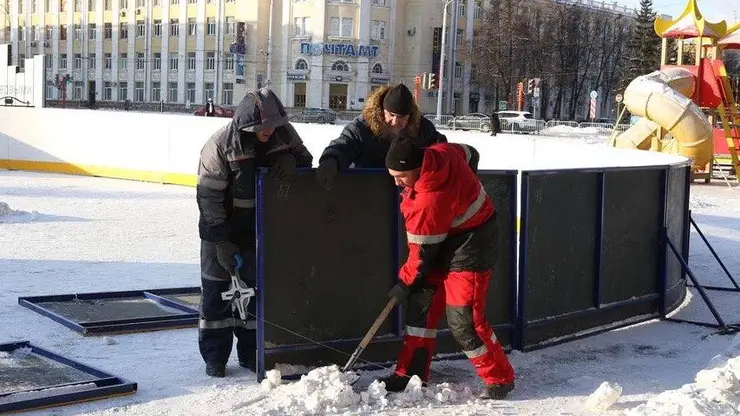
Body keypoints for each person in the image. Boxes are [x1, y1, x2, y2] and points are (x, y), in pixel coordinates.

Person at [381, 136, 516, 400]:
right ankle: (411, 374)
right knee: (422, 305)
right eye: (392, 175)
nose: (396, 183)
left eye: (401, 176)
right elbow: (471, 154)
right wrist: (462, 192)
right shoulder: (441, 151)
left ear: (419, 168)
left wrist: (403, 285)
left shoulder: (427, 202)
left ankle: (500, 378)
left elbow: (420, 259)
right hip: (443, 235)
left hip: (473, 242)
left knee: (464, 319)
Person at [195, 87, 313, 378]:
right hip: (221, 229)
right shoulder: (220, 145)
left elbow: (305, 160)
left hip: (260, 230)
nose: (269, 132)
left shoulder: (284, 133)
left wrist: (291, 161)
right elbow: (208, 198)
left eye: (274, 125)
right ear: (247, 124)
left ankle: (252, 353)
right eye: (263, 127)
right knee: (216, 292)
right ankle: (215, 357)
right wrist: (222, 241)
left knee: (255, 295)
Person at [314, 83, 447, 190]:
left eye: (401, 117)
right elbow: (345, 143)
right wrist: (332, 159)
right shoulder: (363, 126)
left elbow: (440, 147)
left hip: (408, 194)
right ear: (382, 110)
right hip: (369, 189)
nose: (395, 121)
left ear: (410, 116)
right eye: (391, 114)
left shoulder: (422, 128)